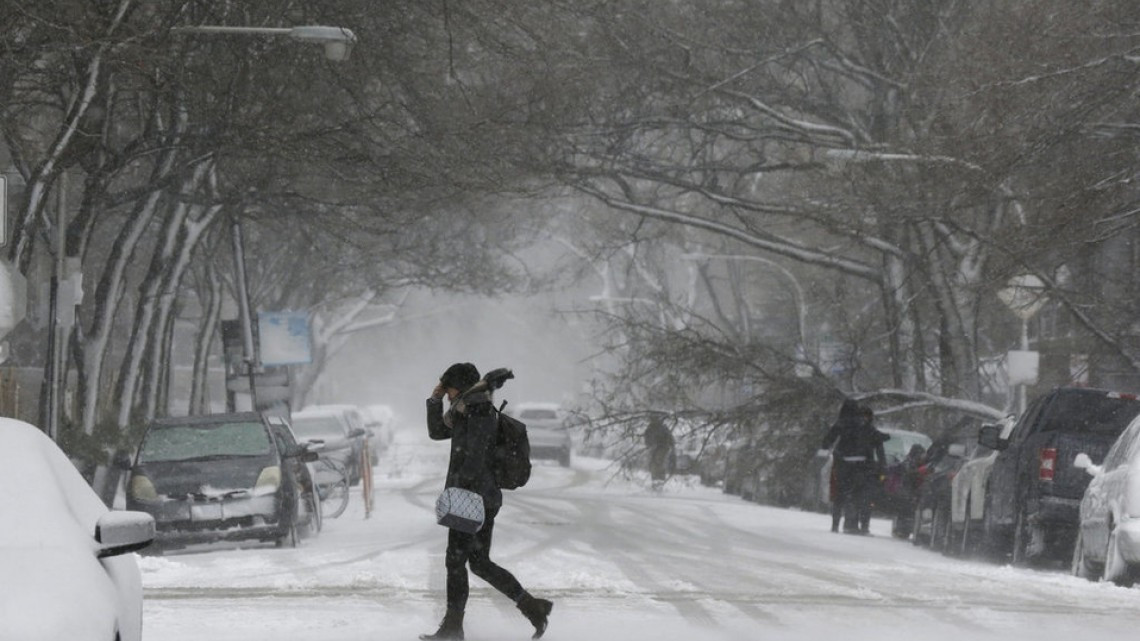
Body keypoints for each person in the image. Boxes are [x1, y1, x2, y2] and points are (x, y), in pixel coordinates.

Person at [422, 362, 553, 641]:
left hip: (474, 497)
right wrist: (433, 400)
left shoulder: (478, 407)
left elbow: (477, 455)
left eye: (448, 388)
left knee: (455, 561)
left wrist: (460, 491)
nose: (446, 394)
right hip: (479, 495)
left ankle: (452, 629)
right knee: (478, 562)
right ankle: (534, 608)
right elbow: (436, 432)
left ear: (460, 385)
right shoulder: (464, 407)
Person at [819, 400, 886, 534]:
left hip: (843, 464)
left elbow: (827, 442)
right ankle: (858, 525)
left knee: (840, 494)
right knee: (860, 495)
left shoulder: (842, 423)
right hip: (863, 466)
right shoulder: (865, 426)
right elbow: (878, 443)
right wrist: (881, 466)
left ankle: (836, 524)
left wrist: (832, 449)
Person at [644, 415, 675, 487]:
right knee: (653, 464)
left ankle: (659, 481)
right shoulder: (651, 428)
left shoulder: (662, 428)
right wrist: (650, 445)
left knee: (658, 463)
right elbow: (647, 439)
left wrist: (670, 446)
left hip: (662, 448)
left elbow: (670, 439)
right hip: (654, 448)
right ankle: (656, 481)